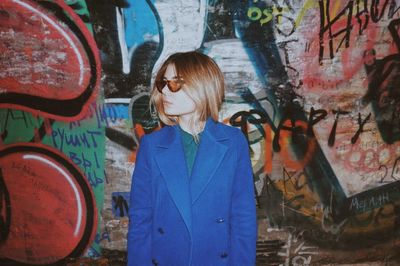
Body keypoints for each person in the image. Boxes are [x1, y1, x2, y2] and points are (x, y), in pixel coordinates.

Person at [127, 51, 257, 265]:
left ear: (202, 85)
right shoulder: (152, 146)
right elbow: (141, 219)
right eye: (163, 83)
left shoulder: (233, 143)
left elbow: (243, 218)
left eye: (175, 83)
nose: (166, 91)